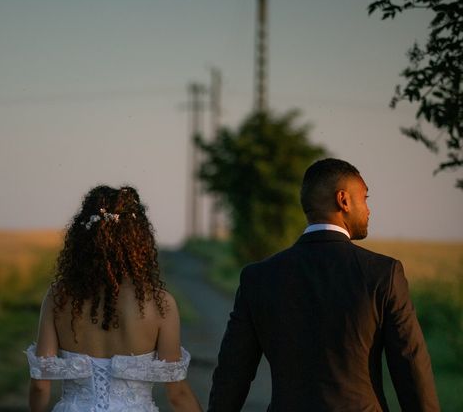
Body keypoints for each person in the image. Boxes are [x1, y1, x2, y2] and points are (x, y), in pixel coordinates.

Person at [208, 158, 439, 411]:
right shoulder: (382, 273)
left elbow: (232, 374)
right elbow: (410, 366)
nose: (369, 209)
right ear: (343, 200)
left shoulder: (258, 277)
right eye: (365, 198)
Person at [26, 185, 202, 412]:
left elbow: (40, 386)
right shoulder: (160, 304)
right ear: (139, 241)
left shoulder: (59, 297)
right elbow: (177, 394)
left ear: (82, 239)